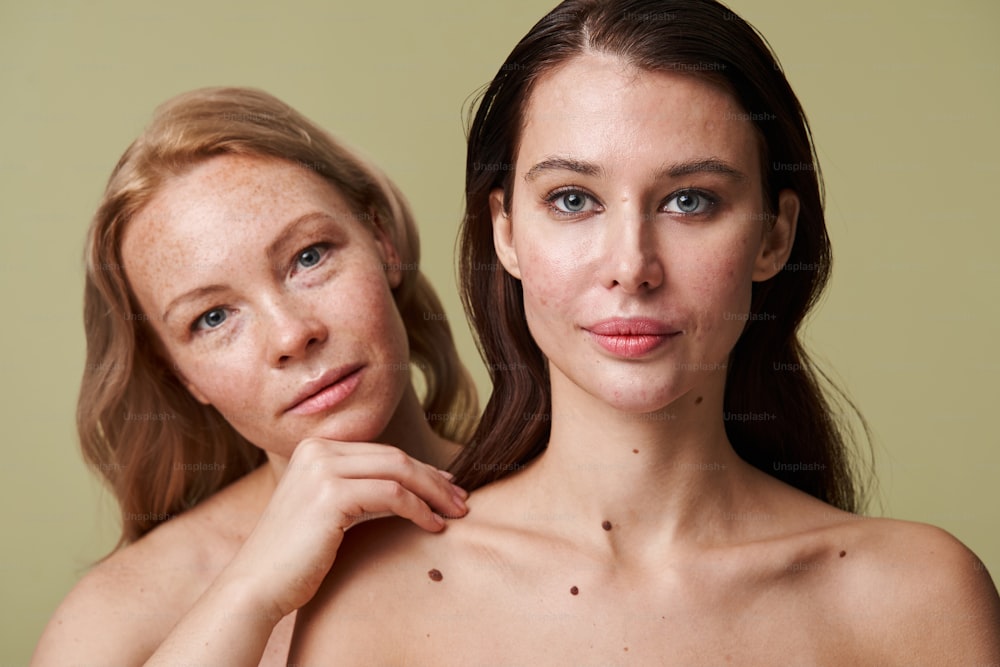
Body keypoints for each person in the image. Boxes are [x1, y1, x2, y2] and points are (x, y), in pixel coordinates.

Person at [290, 0, 1000, 663]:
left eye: (691, 200)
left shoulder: (918, 602)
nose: (632, 266)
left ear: (774, 236)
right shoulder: (374, 593)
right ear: (505, 231)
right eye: (573, 199)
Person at [31, 87, 476, 666]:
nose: (292, 336)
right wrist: (249, 594)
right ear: (182, 375)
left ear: (383, 243)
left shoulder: (568, 510)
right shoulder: (115, 620)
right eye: (212, 318)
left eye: (309, 256)